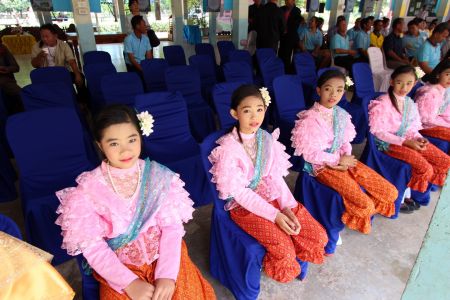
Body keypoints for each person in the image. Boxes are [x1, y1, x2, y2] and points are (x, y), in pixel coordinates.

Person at [55, 104, 216, 300]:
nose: (125, 151)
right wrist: (128, 283)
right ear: (100, 145)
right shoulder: (88, 190)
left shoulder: (159, 177)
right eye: (114, 143)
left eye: (132, 140)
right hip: (120, 267)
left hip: (163, 257)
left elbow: (172, 229)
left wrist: (167, 275)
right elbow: (93, 247)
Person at [208, 85, 328, 283]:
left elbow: (275, 178)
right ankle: (276, 263)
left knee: (317, 236)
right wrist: (275, 216)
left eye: (260, 109)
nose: (255, 116)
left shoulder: (266, 138)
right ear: (234, 113)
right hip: (245, 207)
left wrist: (288, 207)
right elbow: (241, 194)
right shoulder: (228, 148)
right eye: (247, 111)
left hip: (272, 196)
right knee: (284, 250)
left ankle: (296, 248)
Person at [291, 70, 397, 232]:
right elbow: (310, 154)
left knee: (390, 192)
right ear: (319, 91)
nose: (334, 94)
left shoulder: (341, 114)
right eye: (328, 89)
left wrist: (346, 156)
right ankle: (350, 214)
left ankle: (363, 203)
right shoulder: (309, 119)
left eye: (339, 90)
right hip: (322, 166)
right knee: (366, 205)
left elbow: (345, 141)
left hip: (344, 160)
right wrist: (337, 160)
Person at [369, 65, 450, 208]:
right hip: (389, 143)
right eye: (400, 82)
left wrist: (419, 138)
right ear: (392, 82)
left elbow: (412, 127)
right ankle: (408, 195)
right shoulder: (383, 102)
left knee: (444, 160)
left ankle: (413, 192)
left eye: (409, 83)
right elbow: (379, 132)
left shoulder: (408, 103)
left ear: (414, 84)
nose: (404, 87)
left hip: (408, 140)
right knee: (425, 168)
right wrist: (405, 142)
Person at [31, 24, 84, 88]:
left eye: (47, 36)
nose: (44, 39)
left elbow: (71, 61)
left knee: (81, 77)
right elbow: (34, 65)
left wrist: (77, 74)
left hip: (61, 73)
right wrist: (39, 56)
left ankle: (81, 97)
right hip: (46, 74)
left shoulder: (63, 45)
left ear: (55, 36)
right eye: (42, 37)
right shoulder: (36, 47)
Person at [415, 60, 450, 142]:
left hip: (437, 124)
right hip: (426, 127)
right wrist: (447, 124)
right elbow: (426, 120)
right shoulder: (430, 93)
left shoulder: (443, 90)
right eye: (447, 74)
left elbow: (445, 112)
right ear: (438, 75)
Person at [0, 42, 23, 115]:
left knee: (21, 96)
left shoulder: (3, 49)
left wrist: (7, 69)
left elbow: (16, 68)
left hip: (6, 81)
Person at [279, 0, 301, 73]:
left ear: (293, 1)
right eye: (286, 1)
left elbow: (295, 24)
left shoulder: (297, 11)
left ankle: (288, 71)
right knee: (281, 54)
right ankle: (281, 70)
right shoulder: (281, 9)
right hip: (282, 36)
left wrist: (286, 29)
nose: (287, 2)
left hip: (291, 36)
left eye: (289, 1)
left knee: (289, 55)